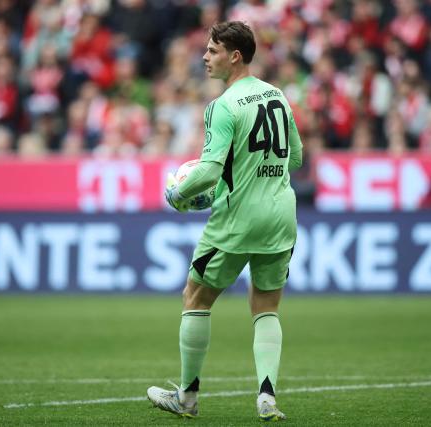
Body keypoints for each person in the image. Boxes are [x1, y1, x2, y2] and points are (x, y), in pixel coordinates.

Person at [146, 22, 303, 421]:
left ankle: (187, 398)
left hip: (238, 219)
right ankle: (267, 398)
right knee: (266, 306)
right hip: (281, 216)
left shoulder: (223, 106)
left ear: (235, 56)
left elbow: (209, 171)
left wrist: (177, 194)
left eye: (213, 50)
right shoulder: (278, 95)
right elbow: (296, 158)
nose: (204, 57)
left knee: (195, 298)